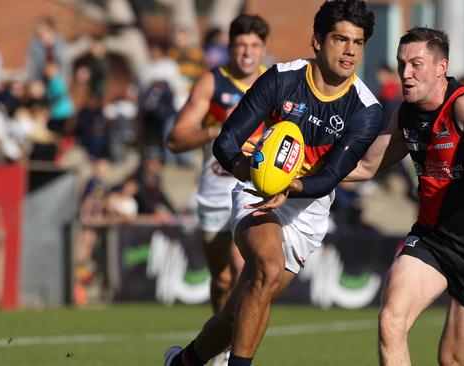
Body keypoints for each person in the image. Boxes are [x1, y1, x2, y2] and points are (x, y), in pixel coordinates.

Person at [163, 1, 383, 365]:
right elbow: (227, 142)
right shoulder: (283, 78)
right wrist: (255, 173)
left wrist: (290, 187)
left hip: (307, 211)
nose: (349, 51)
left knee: (240, 309)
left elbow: (331, 176)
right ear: (317, 41)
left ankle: (183, 362)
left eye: (357, 43)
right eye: (340, 39)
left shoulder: (366, 110)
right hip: (257, 193)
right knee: (265, 267)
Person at [346, 27, 464, 366]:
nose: (406, 74)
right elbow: (366, 166)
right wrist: (302, 171)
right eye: (402, 64)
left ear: (441, 67)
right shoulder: (405, 113)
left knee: (452, 360)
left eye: (416, 64)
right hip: (430, 238)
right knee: (390, 322)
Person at [166, 13, 271, 366]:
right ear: (229, 48)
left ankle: (231, 355)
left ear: (263, 49)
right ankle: (219, 344)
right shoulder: (213, 83)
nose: (247, 52)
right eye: (241, 45)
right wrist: (216, 130)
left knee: (244, 271)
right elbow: (175, 138)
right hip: (214, 190)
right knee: (222, 279)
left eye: (255, 46)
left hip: (252, 190)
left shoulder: (274, 84)